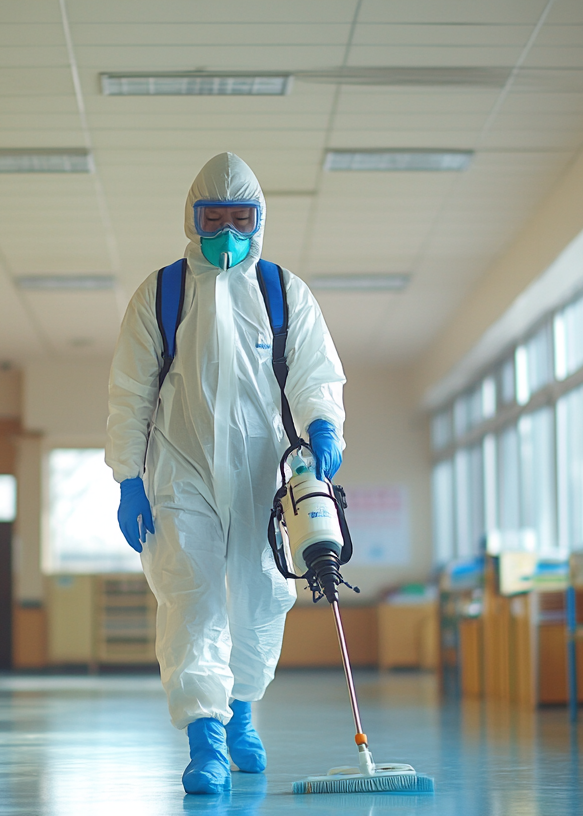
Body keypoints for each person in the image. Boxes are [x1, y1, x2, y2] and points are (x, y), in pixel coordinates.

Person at [106, 153, 347, 794]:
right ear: (192, 219)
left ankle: (242, 711)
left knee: (264, 595)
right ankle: (204, 737)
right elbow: (130, 391)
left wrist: (323, 424)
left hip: (263, 474)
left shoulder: (282, 289)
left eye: (241, 218)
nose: (227, 232)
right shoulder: (161, 293)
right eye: (214, 218)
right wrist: (128, 476)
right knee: (194, 597)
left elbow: (316, 371)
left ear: (259, 221)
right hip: (180, 471)